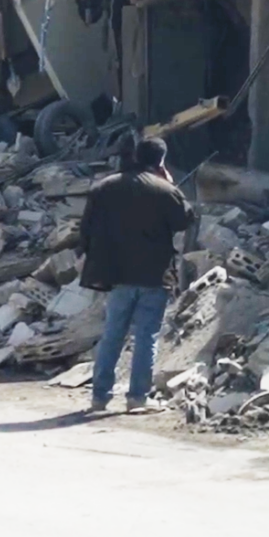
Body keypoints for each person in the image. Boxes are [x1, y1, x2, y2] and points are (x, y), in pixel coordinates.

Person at [78, 137, 193, 413]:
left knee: (112, 334)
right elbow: (185, 220)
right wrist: (171, 184)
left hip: (116, 274)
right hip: (154, 275)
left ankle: (99, 397)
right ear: (160, 161)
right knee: (146, 336)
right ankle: (137, 398)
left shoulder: (103, 187)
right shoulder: (164, 190)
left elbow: (85, 229)